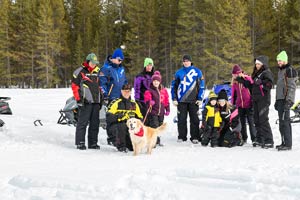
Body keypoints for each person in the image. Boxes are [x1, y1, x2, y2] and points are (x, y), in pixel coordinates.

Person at [71, 53, 103, 150]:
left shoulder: (98, 72)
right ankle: (80, 142)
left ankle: (93, 143)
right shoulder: (80, 71)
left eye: (95, 63)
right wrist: (78, 99)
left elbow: (100, 87)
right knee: (82, 122)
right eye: (92, 62)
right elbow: (74, 86)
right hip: (85, 101)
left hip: (96, 101)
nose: (94, 64)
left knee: (95, 123)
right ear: (88, 62)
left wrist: (101, 98)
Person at [171, 54, 205, 144]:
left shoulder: (197, 72)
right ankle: (182, 136)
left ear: (190, 62)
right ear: (183, 62)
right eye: (184, 61)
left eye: (187, 61)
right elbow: (173, 86)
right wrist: (174, 98)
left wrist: (200, 98)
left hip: (194, 100)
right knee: (181, 119)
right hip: (181, 100)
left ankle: (195, 137)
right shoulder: (178, 72)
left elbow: (201, 86)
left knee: (194, 119)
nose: (186, 62)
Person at [99, 48, 127, 145]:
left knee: (121, 118)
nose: (120, 62)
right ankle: (111, 138)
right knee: (112, 119)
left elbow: (124, 81)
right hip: (111, 97)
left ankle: (120, 138)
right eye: (119, 60)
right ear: (114, 58)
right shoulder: (106, 68)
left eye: (121, 60)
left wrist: (127, 90)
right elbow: (102, 83)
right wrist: (105, 95)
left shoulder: (121, 69)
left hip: (121, 97)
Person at [106, 84, 143, 153]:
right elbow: (108, 118)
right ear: (121, 91)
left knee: (132, 146)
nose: (126, 93)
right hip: (115, 128)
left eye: (128, 91)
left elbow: (140, 117)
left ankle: (132, 144)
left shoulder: (134, 104)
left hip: (128, 129)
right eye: (125, 91)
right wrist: (120, 117)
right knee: (122, 125)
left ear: (131, 92)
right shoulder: (116, 102)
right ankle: (120, 145)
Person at [274, 51, 298, 151]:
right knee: (281, 122)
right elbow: (280, 87)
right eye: (278, 61)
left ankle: (288, 144)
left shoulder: (289, 70)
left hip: (286, 100)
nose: (279, 62)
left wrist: (289, 101)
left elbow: (291, 87)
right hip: (280, 100)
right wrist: (277, 100)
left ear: (285, 60)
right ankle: (283, 142)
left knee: (285, 122)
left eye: (280, 60)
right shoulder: (280, 71)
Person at [251, 56, 274, 148]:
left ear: (263, 64)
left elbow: (270, 84)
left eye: (258, 64)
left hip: (263, 100)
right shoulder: (256, 73)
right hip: (256, 99)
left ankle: (269, 140)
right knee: (256, 119)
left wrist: (262, 82)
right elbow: (253, 85)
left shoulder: (267, 72)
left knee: (263, 119)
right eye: (256, 64)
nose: (257, 65)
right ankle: (260, 138)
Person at [231, 64, 256, 145]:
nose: (235, 76)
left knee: (251, 122)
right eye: (233, 75)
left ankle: (254, 139)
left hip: (249, 104)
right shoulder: (235, 82)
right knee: (242, 123)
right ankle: (244, 138)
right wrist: (233, 103)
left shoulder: (247, 78)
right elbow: (233, 94)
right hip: (240, 105)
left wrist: (243, 77)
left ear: (240, 73)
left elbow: (252, 84)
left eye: (236, 74)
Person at [144, 71, 170, 146]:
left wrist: (167, 109)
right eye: (154, 81)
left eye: (157, 81)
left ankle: (157, 140)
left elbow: (166, 100)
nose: (156, 83)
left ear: (160, 82)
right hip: (153, 112)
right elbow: (147, 98)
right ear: (152, 82)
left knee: (159, 127)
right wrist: (149, 102)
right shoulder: (149, 90)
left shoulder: (163, 90)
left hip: (161, 113)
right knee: (154, 126)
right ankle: (153, 141)